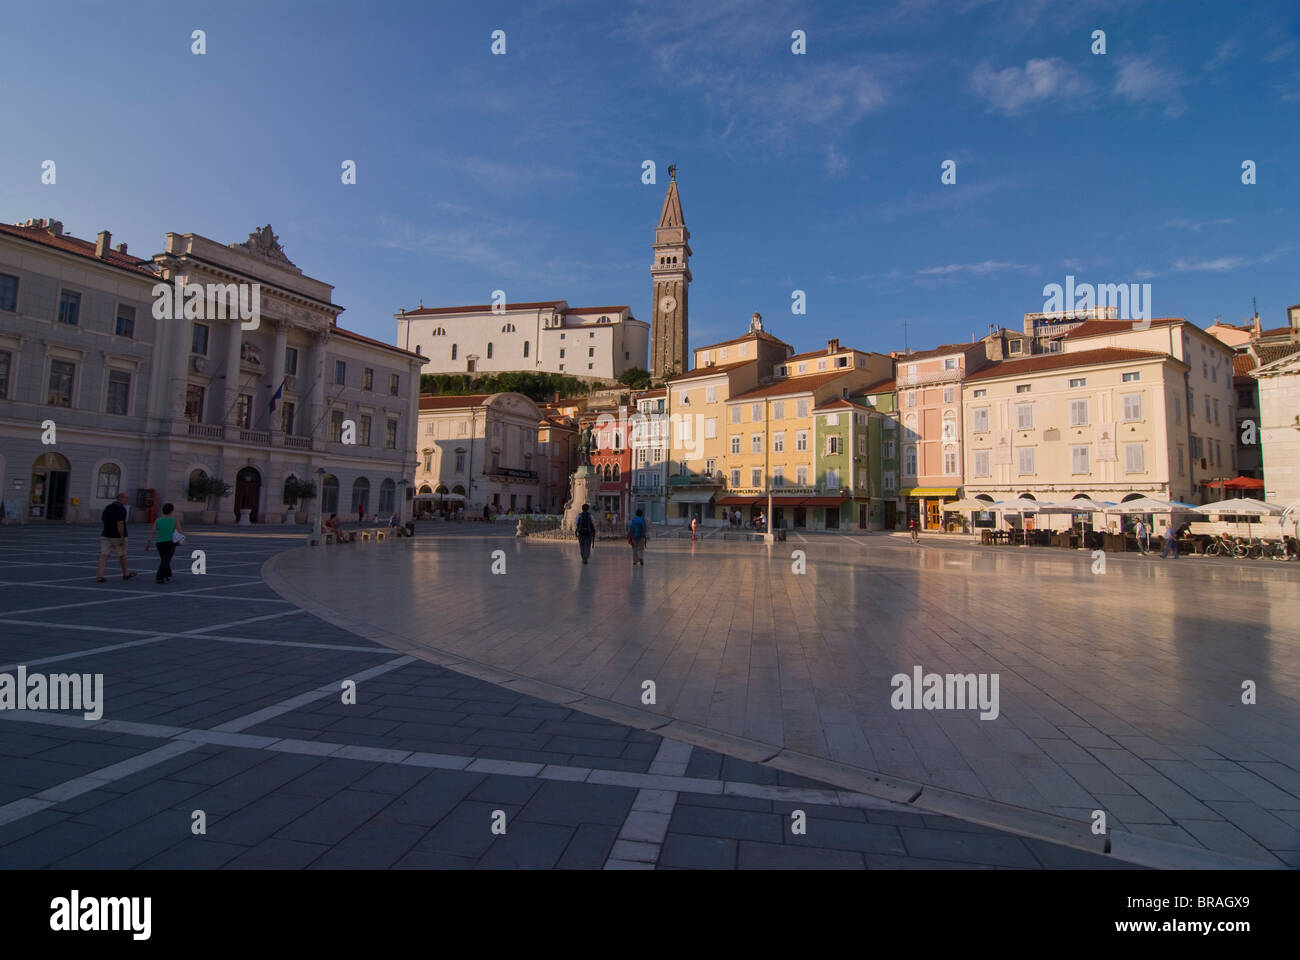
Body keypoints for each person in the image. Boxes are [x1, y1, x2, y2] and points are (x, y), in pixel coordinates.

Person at [97, 491, 135, 582]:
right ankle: (125, 573)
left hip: (106, 534)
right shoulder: (122, 509)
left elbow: (103, 520)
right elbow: (120, 524)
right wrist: (122, 537)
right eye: (126, 498)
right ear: (121, 498)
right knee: (122, 555)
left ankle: (100, 575)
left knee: (104, 555)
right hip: (117, 536)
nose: (127, 500)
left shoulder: (108, 507)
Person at [144, 502, 184, 583]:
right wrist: (181, 540)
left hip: (159, 543)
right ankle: (159, 577)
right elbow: (180, 531)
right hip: (170, 543)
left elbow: (152, 532)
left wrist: (148, 543)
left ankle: (167, 574)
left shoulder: (158, 520)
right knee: (165, 560)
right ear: (172, 511)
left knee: (164, 559)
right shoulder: (174, 520)